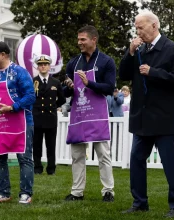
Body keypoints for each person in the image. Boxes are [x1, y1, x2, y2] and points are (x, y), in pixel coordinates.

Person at [119, 11, 174, 218]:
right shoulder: (139, 49)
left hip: (164, 117)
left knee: (169, 163)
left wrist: (154, 72)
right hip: (142, 116)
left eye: (141, 27)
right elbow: (123, 75)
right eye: (136, 28)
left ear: (154, 25)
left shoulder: (171, 48)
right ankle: (139, 202)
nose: (137, 32)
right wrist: (129, 53)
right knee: (136, 159)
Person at [63, 25, 115, 202]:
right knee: (77, 155)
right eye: (78, 39)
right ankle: (77, 192)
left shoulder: (106, 61)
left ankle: (108, 191)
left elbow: (109, 88)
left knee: (103, 154)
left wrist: (89, 83)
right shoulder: (73, 63)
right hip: (78, 114)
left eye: (83, 39)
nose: (79, 43)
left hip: (98, 114)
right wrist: (68, 87)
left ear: (94, 40)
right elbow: (65, 91)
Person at [0, 41, 35, 204]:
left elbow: (30, 96)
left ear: (3, 54)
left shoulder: (19, 72)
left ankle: (26, 194)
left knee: (24, 158)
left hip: (21, 122)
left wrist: (12, 107)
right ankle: (3, 192)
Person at [32, 55, 66, 175]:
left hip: (51, 117)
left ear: (49, 66)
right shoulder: (33, 81)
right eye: (40, 64)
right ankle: (37, 168)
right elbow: (30, 98)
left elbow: (62, 99)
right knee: (37, 145)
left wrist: (52, 105)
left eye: (45, 64)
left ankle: (51, 168)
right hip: (37, 117)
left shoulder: (55, 82)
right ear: (37, 66)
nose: (43, 66)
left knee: (51, 145)